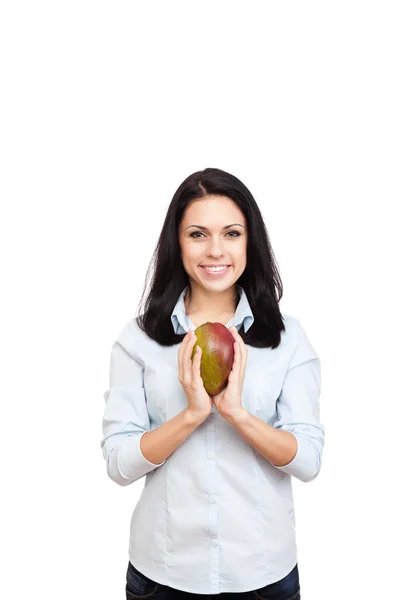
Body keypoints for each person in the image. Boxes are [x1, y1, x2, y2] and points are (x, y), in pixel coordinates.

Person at [100, 167, 325, 599]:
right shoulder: (139, 340)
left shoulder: (287, 338)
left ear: (249, 242)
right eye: (198, 234)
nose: (216, 250)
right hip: (163, 573)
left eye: (232, 233)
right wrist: (192, 415)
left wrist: (237, 414)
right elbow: (118, 463)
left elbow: (309, 460)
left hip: (262, 572)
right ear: (177, 243)